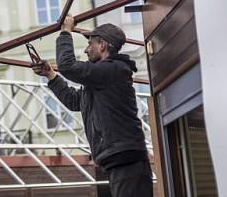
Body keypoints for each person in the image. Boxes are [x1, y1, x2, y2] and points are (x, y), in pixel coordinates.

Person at [32, 14, 152, 197]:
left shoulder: (113, 70)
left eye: (90, 44)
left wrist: (66, 32)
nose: (87, 50)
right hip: (120, 157)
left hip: (125, 156)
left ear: (103, 45)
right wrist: (50, 74)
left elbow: (67, 66)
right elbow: (74, 101)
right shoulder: (101, 80)